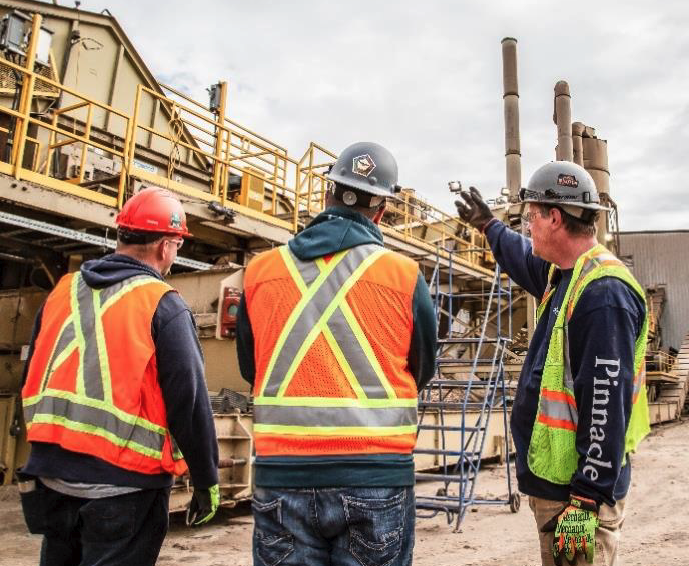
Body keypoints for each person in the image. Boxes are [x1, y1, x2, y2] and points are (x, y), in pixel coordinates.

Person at [237, 141, 437, 566]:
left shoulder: (260, 272)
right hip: (374, 474)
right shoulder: (403, 275)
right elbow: (422, 368)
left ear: (326, 194)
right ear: (381, 209)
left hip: (282, 475)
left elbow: (252, 368)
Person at [456, 161, 650, 566]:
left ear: (555, 217)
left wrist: (585, 501)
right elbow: (522, 257)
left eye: (531, 218)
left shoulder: (603, 295)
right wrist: (488, 225)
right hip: (558, 489)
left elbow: (605, 404)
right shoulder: (564, 273)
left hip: (576, 500)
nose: (527, 228)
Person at [19, 187, 220, 566]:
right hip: (124, 491)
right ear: (165, 247)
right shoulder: (163, 303)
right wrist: (206, 478)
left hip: (51, 479)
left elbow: (32, 374)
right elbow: (188, 402)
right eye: (177, 244)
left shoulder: (63, 292)